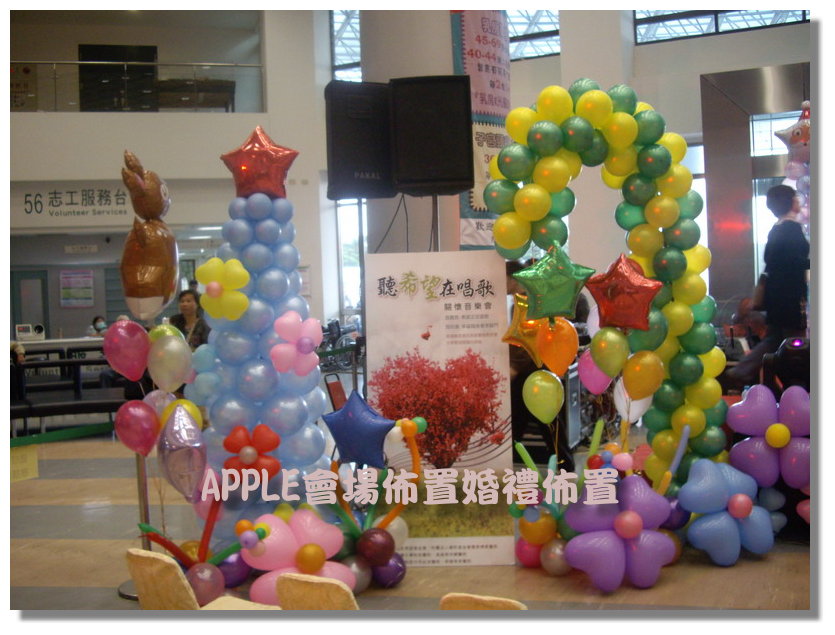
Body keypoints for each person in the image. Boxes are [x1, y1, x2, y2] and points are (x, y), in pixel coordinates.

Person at [724, 185, 809, 389]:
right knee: (794, 346)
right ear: (791, 202)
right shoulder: (792, 229)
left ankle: (743, 371)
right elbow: (796, 263)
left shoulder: (776, 229)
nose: (798, 201)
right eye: (795, 197)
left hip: (776, 296)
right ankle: (796, 389)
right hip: (790, 297)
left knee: (775, 339)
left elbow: (772, 262)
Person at [506, 260, 575, 472]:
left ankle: (565, 467)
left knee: (544, 422)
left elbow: (530, 341)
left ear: (513, 279)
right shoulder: (532, 300)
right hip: (540, 370)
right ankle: (565, 466)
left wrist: (514, 367)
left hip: (532, 371)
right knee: (536, 422)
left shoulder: (527, 304)